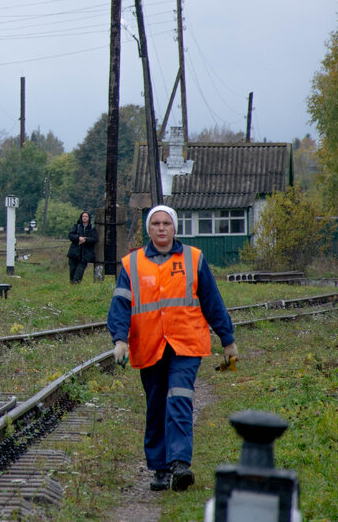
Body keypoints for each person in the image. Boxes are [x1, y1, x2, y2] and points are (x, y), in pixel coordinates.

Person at [107, 204, 238, 493]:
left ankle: (180, 464)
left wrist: (227, 341)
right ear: (149, 229)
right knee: (155, 406)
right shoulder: (132, 264)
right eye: (156, 224)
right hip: (149, 344)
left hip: (185, 344)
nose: (162, 228)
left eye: (167, 223)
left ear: (175, 227)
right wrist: (120, 339)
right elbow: (120, 305)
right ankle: (160, 469)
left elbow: (212, 301)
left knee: (179, 399)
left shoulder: (194, 259)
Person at [67, 210, 97, 283]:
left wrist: (85, 240)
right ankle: (72, 287)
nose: (84, 218)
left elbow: (94, 238)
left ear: (89, 218)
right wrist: (78, 238)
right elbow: (70, 235)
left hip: (84, 255)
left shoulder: (92, 228)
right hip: (74, 253)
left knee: (79, 273)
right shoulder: (76, 226)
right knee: (72, 271)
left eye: (86, 216)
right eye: (83, 216)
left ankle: (76, 284)